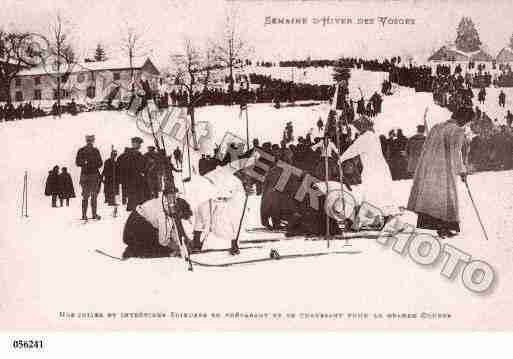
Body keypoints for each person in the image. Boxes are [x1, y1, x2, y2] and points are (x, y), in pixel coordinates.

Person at [407, 107, 472, 238]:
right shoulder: (457, 130)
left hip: (429, 168)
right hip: (444, 170)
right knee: (446, 197)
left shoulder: (436, 126)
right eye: (468, 122)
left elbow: (425, 147)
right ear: (463, 119)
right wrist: (462, 171)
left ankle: (436, 225)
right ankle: (445, 227)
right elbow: (456, 154)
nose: (467, 125)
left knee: (432, 197)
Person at [122, 188, 192, 259]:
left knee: (161, 241)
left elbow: (173, 230)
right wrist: (177, 248)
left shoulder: (167, 204)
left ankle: (134, 248)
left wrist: (183, 243)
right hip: (133, 229)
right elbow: (163, 240)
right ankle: (134, 251)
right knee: (160, 247)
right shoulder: (162, 214)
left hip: (137, 223)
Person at [75, 135, 103, 220]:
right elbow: (77, 162)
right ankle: (84, 215)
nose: (89, 142)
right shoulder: (81, 150)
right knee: (86, 196)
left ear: (93, 141)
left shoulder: (96, 151)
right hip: (86, 176)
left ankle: (93, 214)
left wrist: (93, 163)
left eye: (91, 141)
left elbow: (100, 163)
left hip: (93, 176)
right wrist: (85, 162)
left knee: (93, 196)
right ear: (86, 141)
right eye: (88, 141)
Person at [126, 137, 150, 211]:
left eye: (140, 144)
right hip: (133, 179)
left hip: (137, 179)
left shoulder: (138, 154)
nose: (140, 145)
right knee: (134, 198)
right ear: (133, 144)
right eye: (138, 143)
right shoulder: (130, 154)